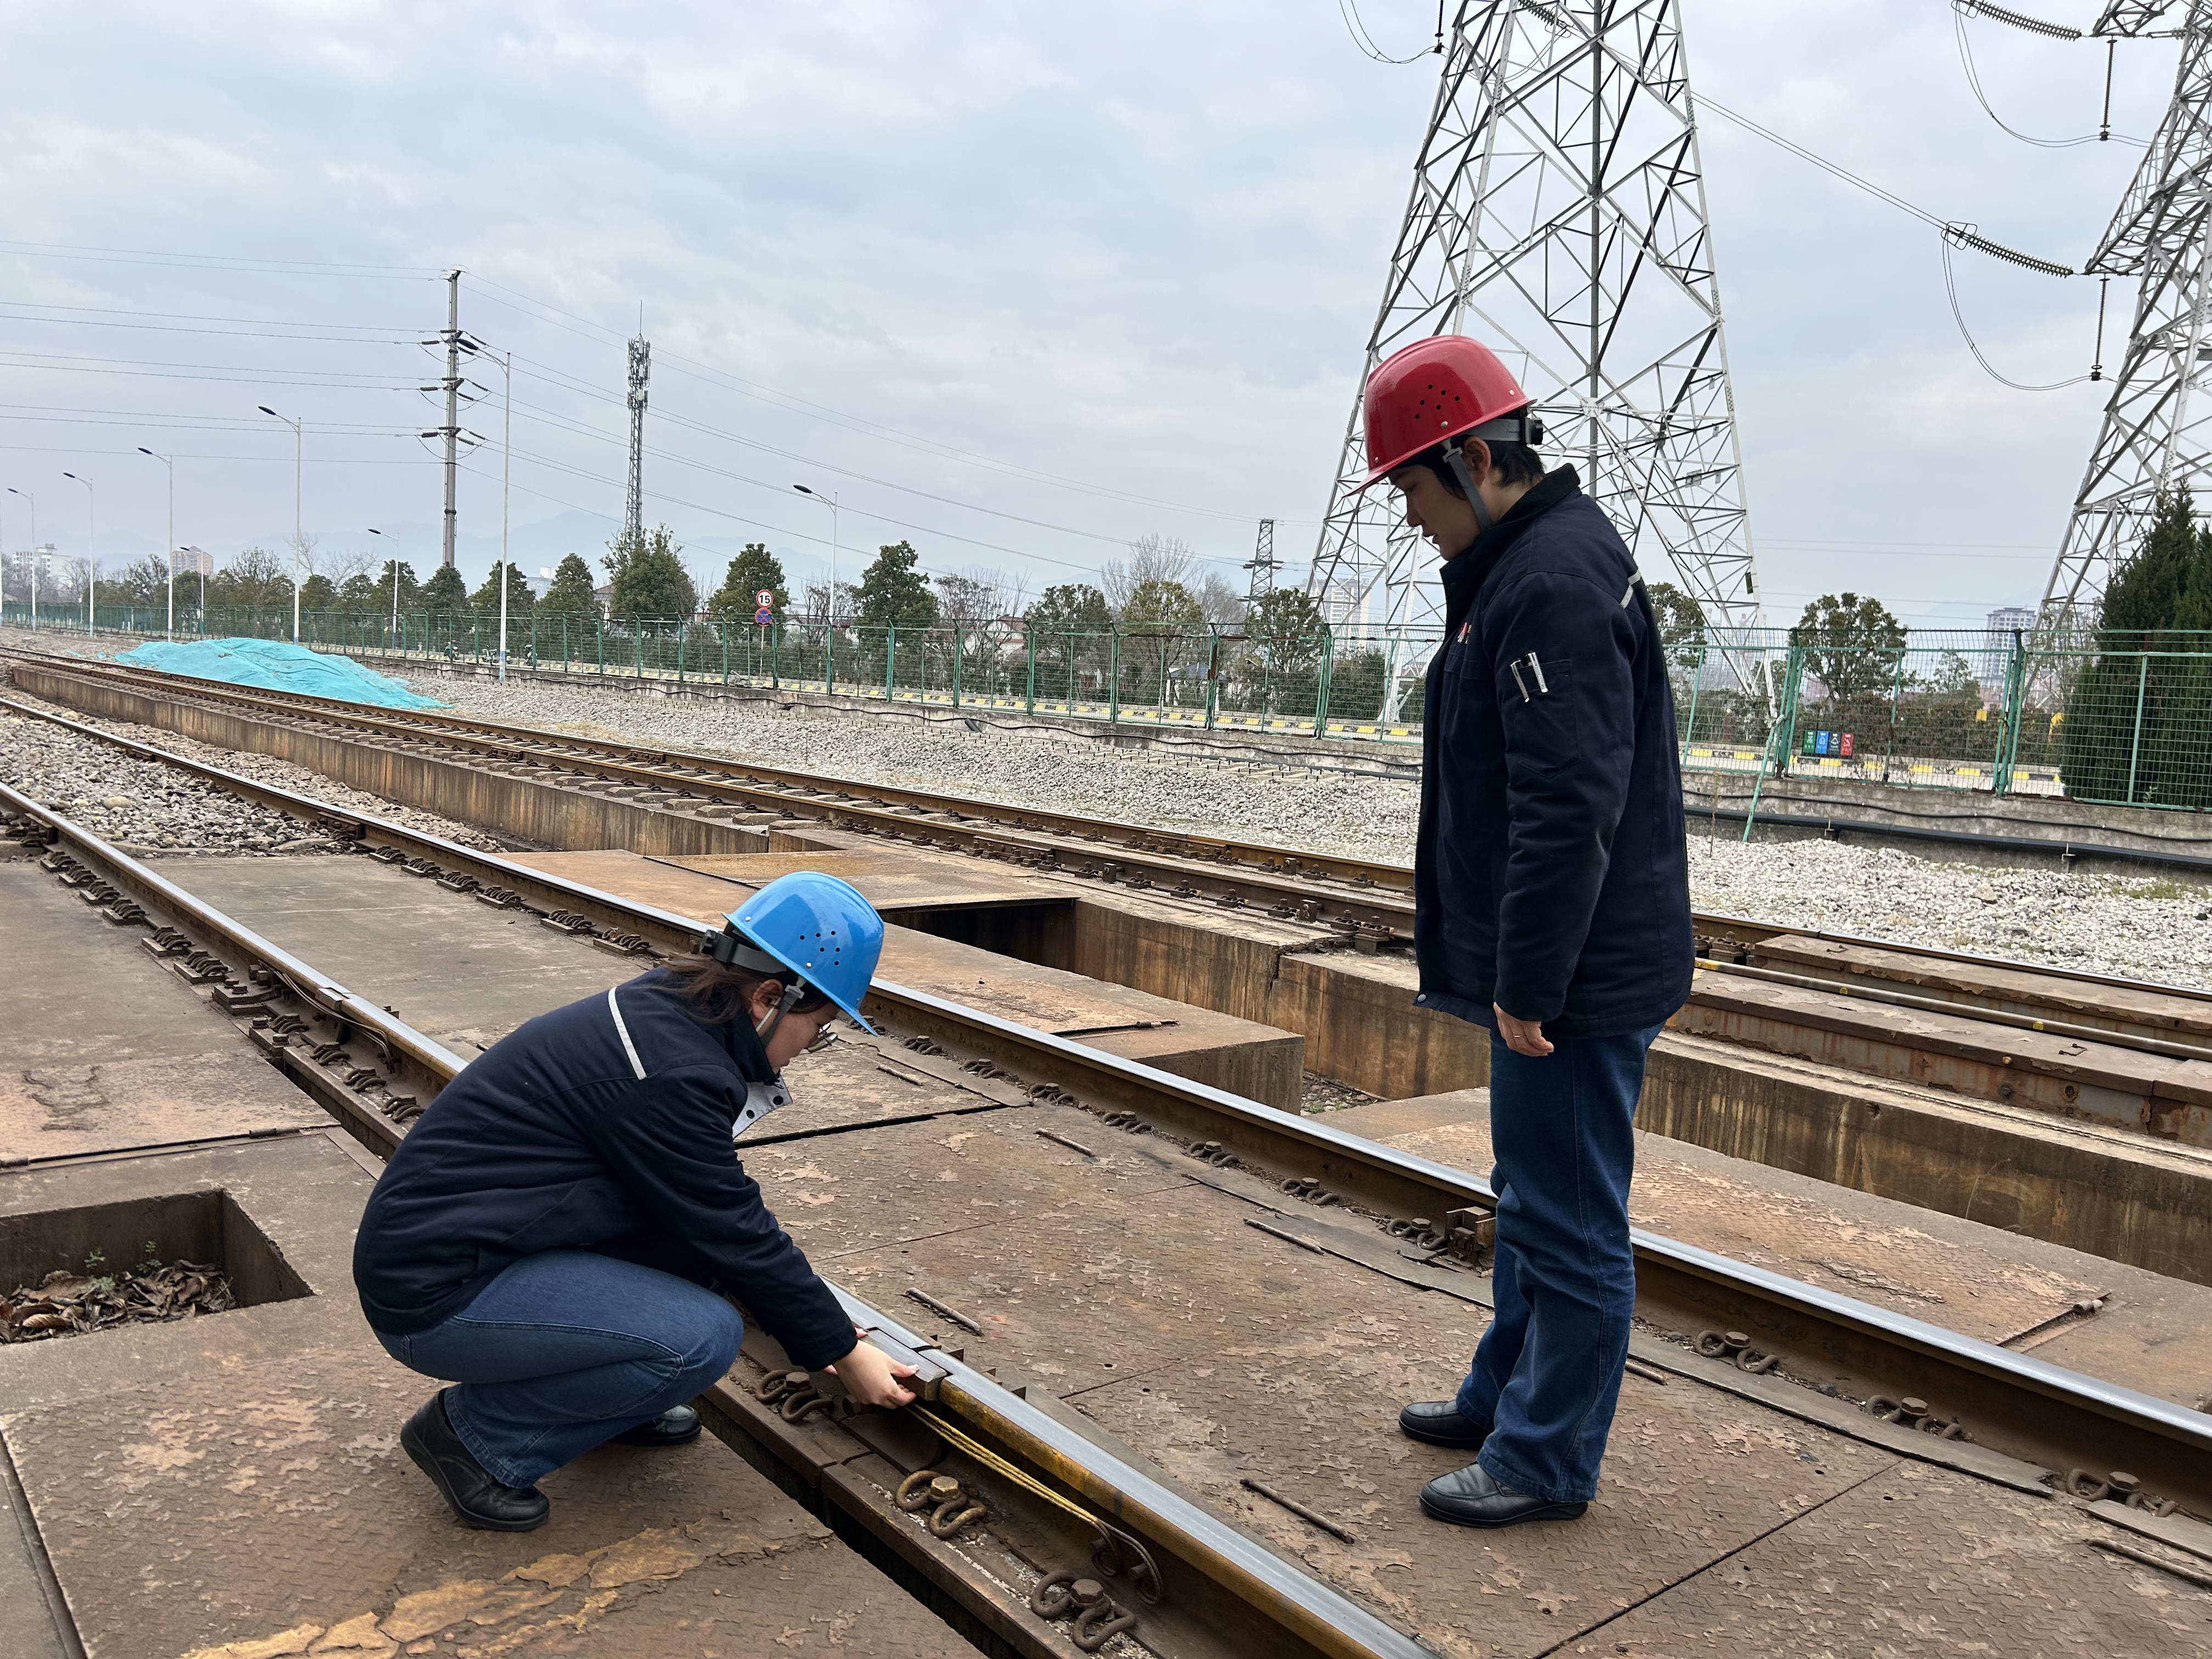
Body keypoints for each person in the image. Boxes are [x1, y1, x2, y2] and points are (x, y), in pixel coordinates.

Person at [1362, 335, 1693, 1528]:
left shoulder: (1548, 582)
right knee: (1532, 1195)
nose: (1406, 514)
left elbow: (1569, 805)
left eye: (1409, 485)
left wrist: (1530, 984)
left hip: (1576, 979)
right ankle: (1507, 1400)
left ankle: (1546, 1458)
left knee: (1569, 1216)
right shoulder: (1526, 567)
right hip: (1559, 964)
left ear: (1469, 455)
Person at [353, 870, 918, 1532]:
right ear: (769, 997)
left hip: (477, 1247)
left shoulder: (669, 1010)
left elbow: (697, 1221)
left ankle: (610, 1396)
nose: (809, 1049)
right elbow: (735, 1227)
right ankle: (478, 1439)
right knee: (700, 1339)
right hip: (435, 1295)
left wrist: (816, 1324)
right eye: (818, 1029)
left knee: (690, 1264)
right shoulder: (673, 1073)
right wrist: (841, 1351)